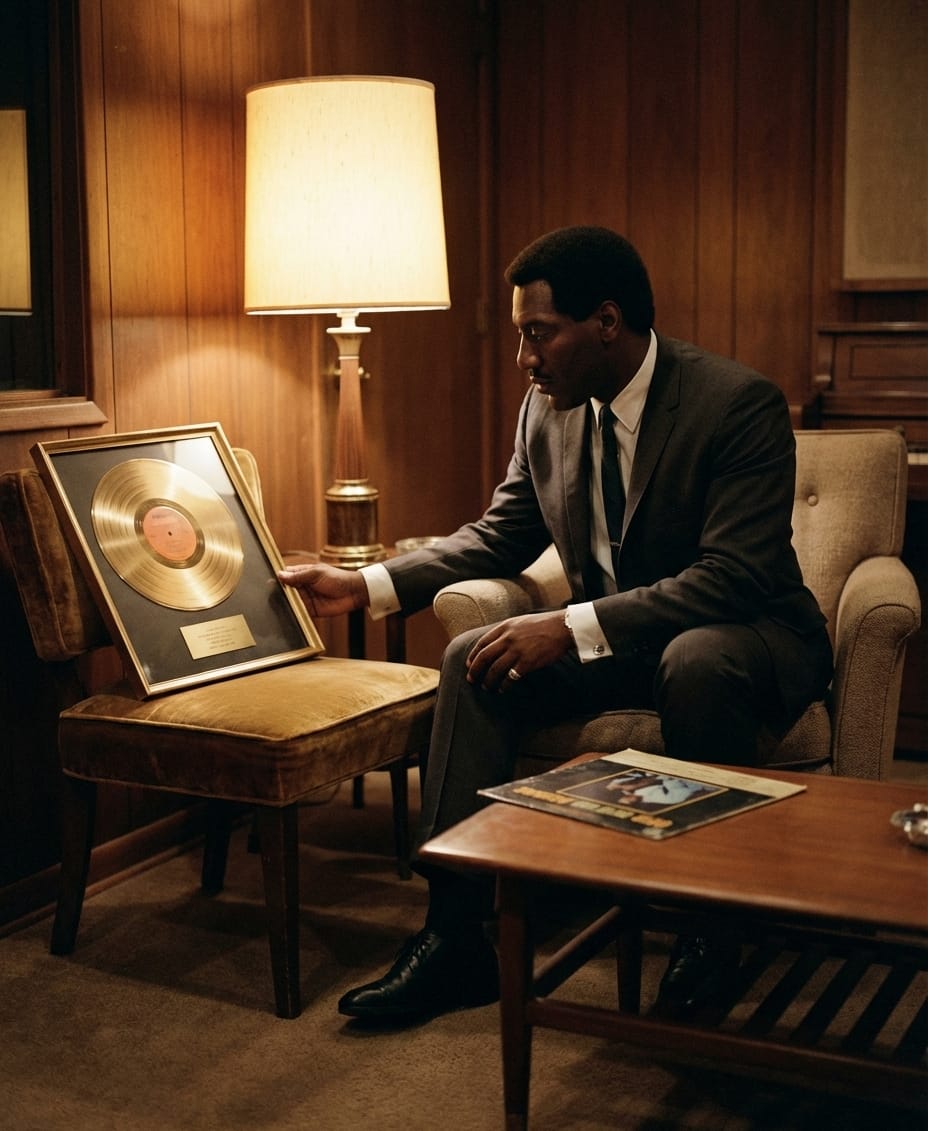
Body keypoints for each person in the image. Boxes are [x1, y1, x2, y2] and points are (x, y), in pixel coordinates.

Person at [278, 226, 833, 1023]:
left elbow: (733, 576)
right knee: (475, 654)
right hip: (628, 644)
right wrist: (364, 585)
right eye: (520, 338)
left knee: (696, 661)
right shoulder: (549, 411)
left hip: (746, 636)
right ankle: (456, 933)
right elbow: (500, 532)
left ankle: (714, 930)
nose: (524, 359)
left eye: (538, 334)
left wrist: (569, 627)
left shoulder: (734, 403)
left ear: (605, 323)